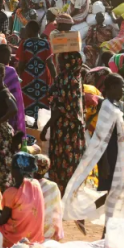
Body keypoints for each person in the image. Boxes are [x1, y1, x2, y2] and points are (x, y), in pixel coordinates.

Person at [62, 73, 124, 235]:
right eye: (120, 86)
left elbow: (114, 131)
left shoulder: (116, 106)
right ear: (111, 88)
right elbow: (101, 135)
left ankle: (102, 228)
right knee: (112, 192)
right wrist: (105, 162)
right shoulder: (106, 106)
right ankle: (101, 228)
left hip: (117, 153)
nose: (123, 90)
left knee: (114, 192)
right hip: (109, 155)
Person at [41, 52, 86, 194]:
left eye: (60, 62)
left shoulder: (68, 79)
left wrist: (46, 127)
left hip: (64, 127)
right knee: (70, 160)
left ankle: (62, 193)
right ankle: (69, 193)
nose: (59, 64)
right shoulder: (75, 77)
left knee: (62, 159)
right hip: (73, 127)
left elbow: (60, 108)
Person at [0, 152, 44, 247]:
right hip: (35, 239)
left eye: (12, 168)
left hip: (15, 240)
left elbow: (1, 220)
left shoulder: (11, 192)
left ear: (17, 170)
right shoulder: (36, 185)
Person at [0, 63, 22, 191]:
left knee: (1, 161)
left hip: (1, 132)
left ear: (2, 75)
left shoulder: (3, 93)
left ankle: (4, 190)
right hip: (2, 130)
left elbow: (13, 109)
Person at [17, 20, 55, 122]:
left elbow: (20, 65)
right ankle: (39, 129)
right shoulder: (46, 43)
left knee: (27, 105)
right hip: (43, 79)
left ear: (30, 30)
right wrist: (56, 80)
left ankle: (28, 130)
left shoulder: (25, 44)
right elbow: (50, 64)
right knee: (42, 106)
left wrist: (16, 78)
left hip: (27, 80)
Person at [33, 155, 64, 241]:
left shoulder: (27, 184)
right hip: (48, 233)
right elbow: (57, 210)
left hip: (30, 231)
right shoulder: (52, 186)